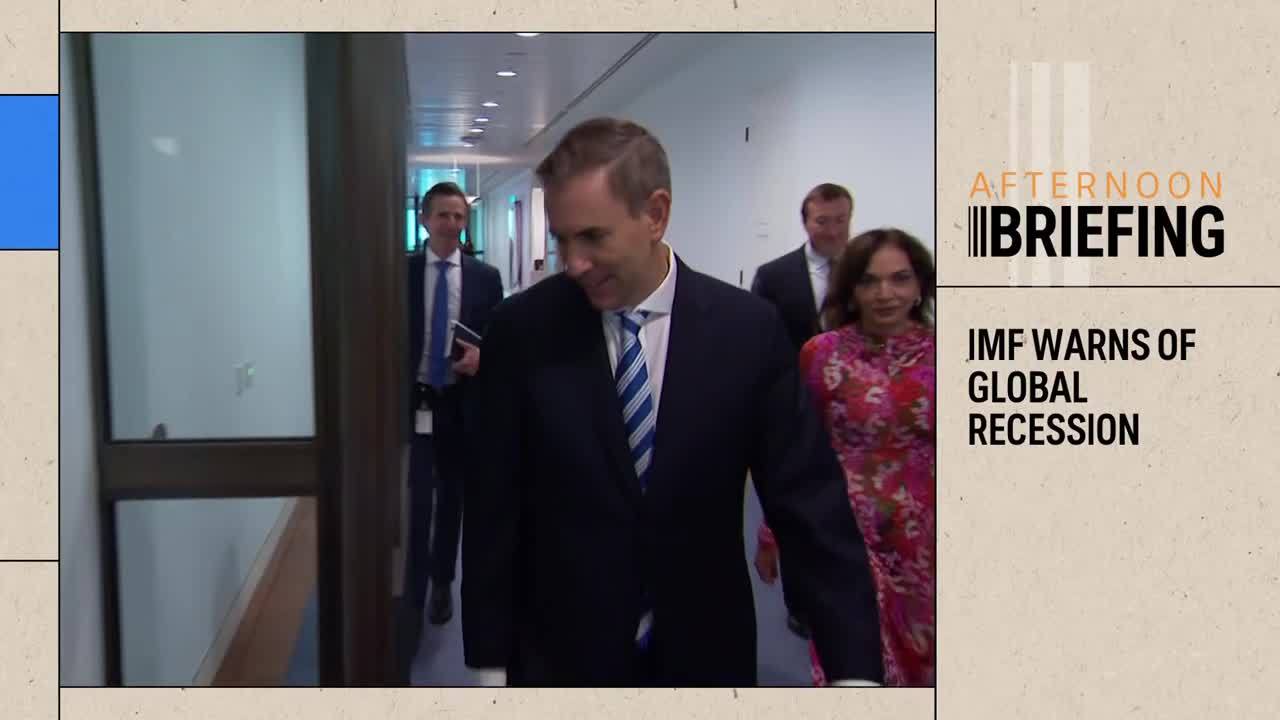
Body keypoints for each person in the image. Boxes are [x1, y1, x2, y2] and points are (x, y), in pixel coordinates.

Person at [461, 117, 883, 687]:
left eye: (593, 237)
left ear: (655, 214)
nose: (574, 262)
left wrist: (854, 670)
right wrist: (489, 662)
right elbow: (494, 505)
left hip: (704, 651)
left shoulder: (747, 332)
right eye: (562, 240)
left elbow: (808, 503)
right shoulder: (521, 331)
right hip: (561, 653)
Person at [754, 228, 936, 686]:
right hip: (844, 537)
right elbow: (792, 455)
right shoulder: (822, 355)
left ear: (920, 286)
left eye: (899, 279)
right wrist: (772, 532)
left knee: (921, 666)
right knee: (855, 664)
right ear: (851, 288)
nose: (885, 294)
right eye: (869, 281)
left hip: (926, 543)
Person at [399, 181, 503, 677]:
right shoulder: (401, 273)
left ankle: (443, 581)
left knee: (454, 498)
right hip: (416, 402)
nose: (453, 226)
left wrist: (485, 359)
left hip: (462, 406)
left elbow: (500, 343)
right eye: (443, 216)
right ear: (424, 219)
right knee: (419, 500)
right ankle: (414, 594)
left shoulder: (486, 278)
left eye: (459, 217)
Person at [749, 182, 854, 638]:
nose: (832, 230)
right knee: (797, 505)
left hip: (856, 415)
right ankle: (801, 602)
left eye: (840, 220)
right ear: (805, 222)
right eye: (822, 221)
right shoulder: (775, 276)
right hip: (795, 411)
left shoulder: (867, 271)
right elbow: (758, 345)